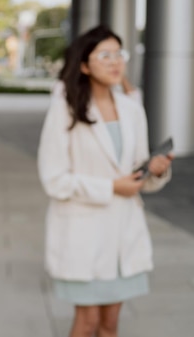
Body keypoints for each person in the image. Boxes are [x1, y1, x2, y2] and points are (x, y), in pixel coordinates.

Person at [37, 24, 173, 337]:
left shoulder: (132, 109)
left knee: (110, 326)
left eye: (118, 54)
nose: (115, 62)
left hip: (123, 236)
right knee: (86, 324)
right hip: (84, 237)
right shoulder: (65, 109)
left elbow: (138, 177)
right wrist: (111, 187)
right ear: (85, 65)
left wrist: (156, 169)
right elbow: (54, 179)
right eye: (105, 55)